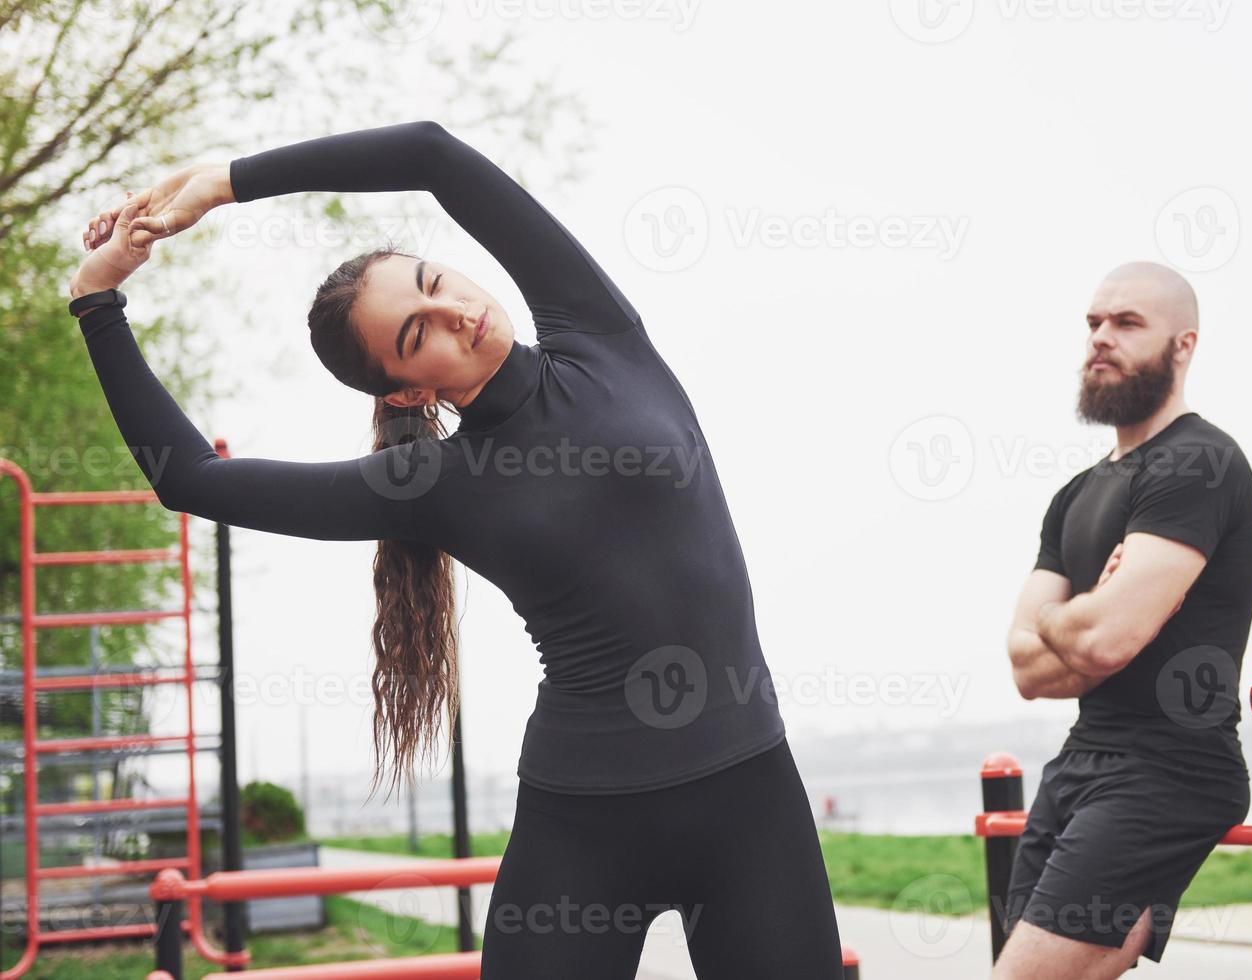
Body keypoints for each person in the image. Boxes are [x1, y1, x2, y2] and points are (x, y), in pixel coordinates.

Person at [70, 120, 845, 979]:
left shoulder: (599, 334)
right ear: (408, 386)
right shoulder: (429, 480)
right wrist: (97, 303)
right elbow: (191, 481)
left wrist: (225, 180)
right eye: (416, 333)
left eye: (434, 283)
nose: (456, 313)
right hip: (584, 827)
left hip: (750, 803)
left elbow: (431, 154)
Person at [998, 262, 1252, 978]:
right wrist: (1086, 616)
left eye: (1127, 323)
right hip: (1080, 761)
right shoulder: (1075, 495)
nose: (1101, 338)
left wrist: (1068, 619)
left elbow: (1106, 641)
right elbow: (1027, 669)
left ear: (1184, 346)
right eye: (1093, 323)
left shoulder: (1199, 463)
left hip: (1169, 767)